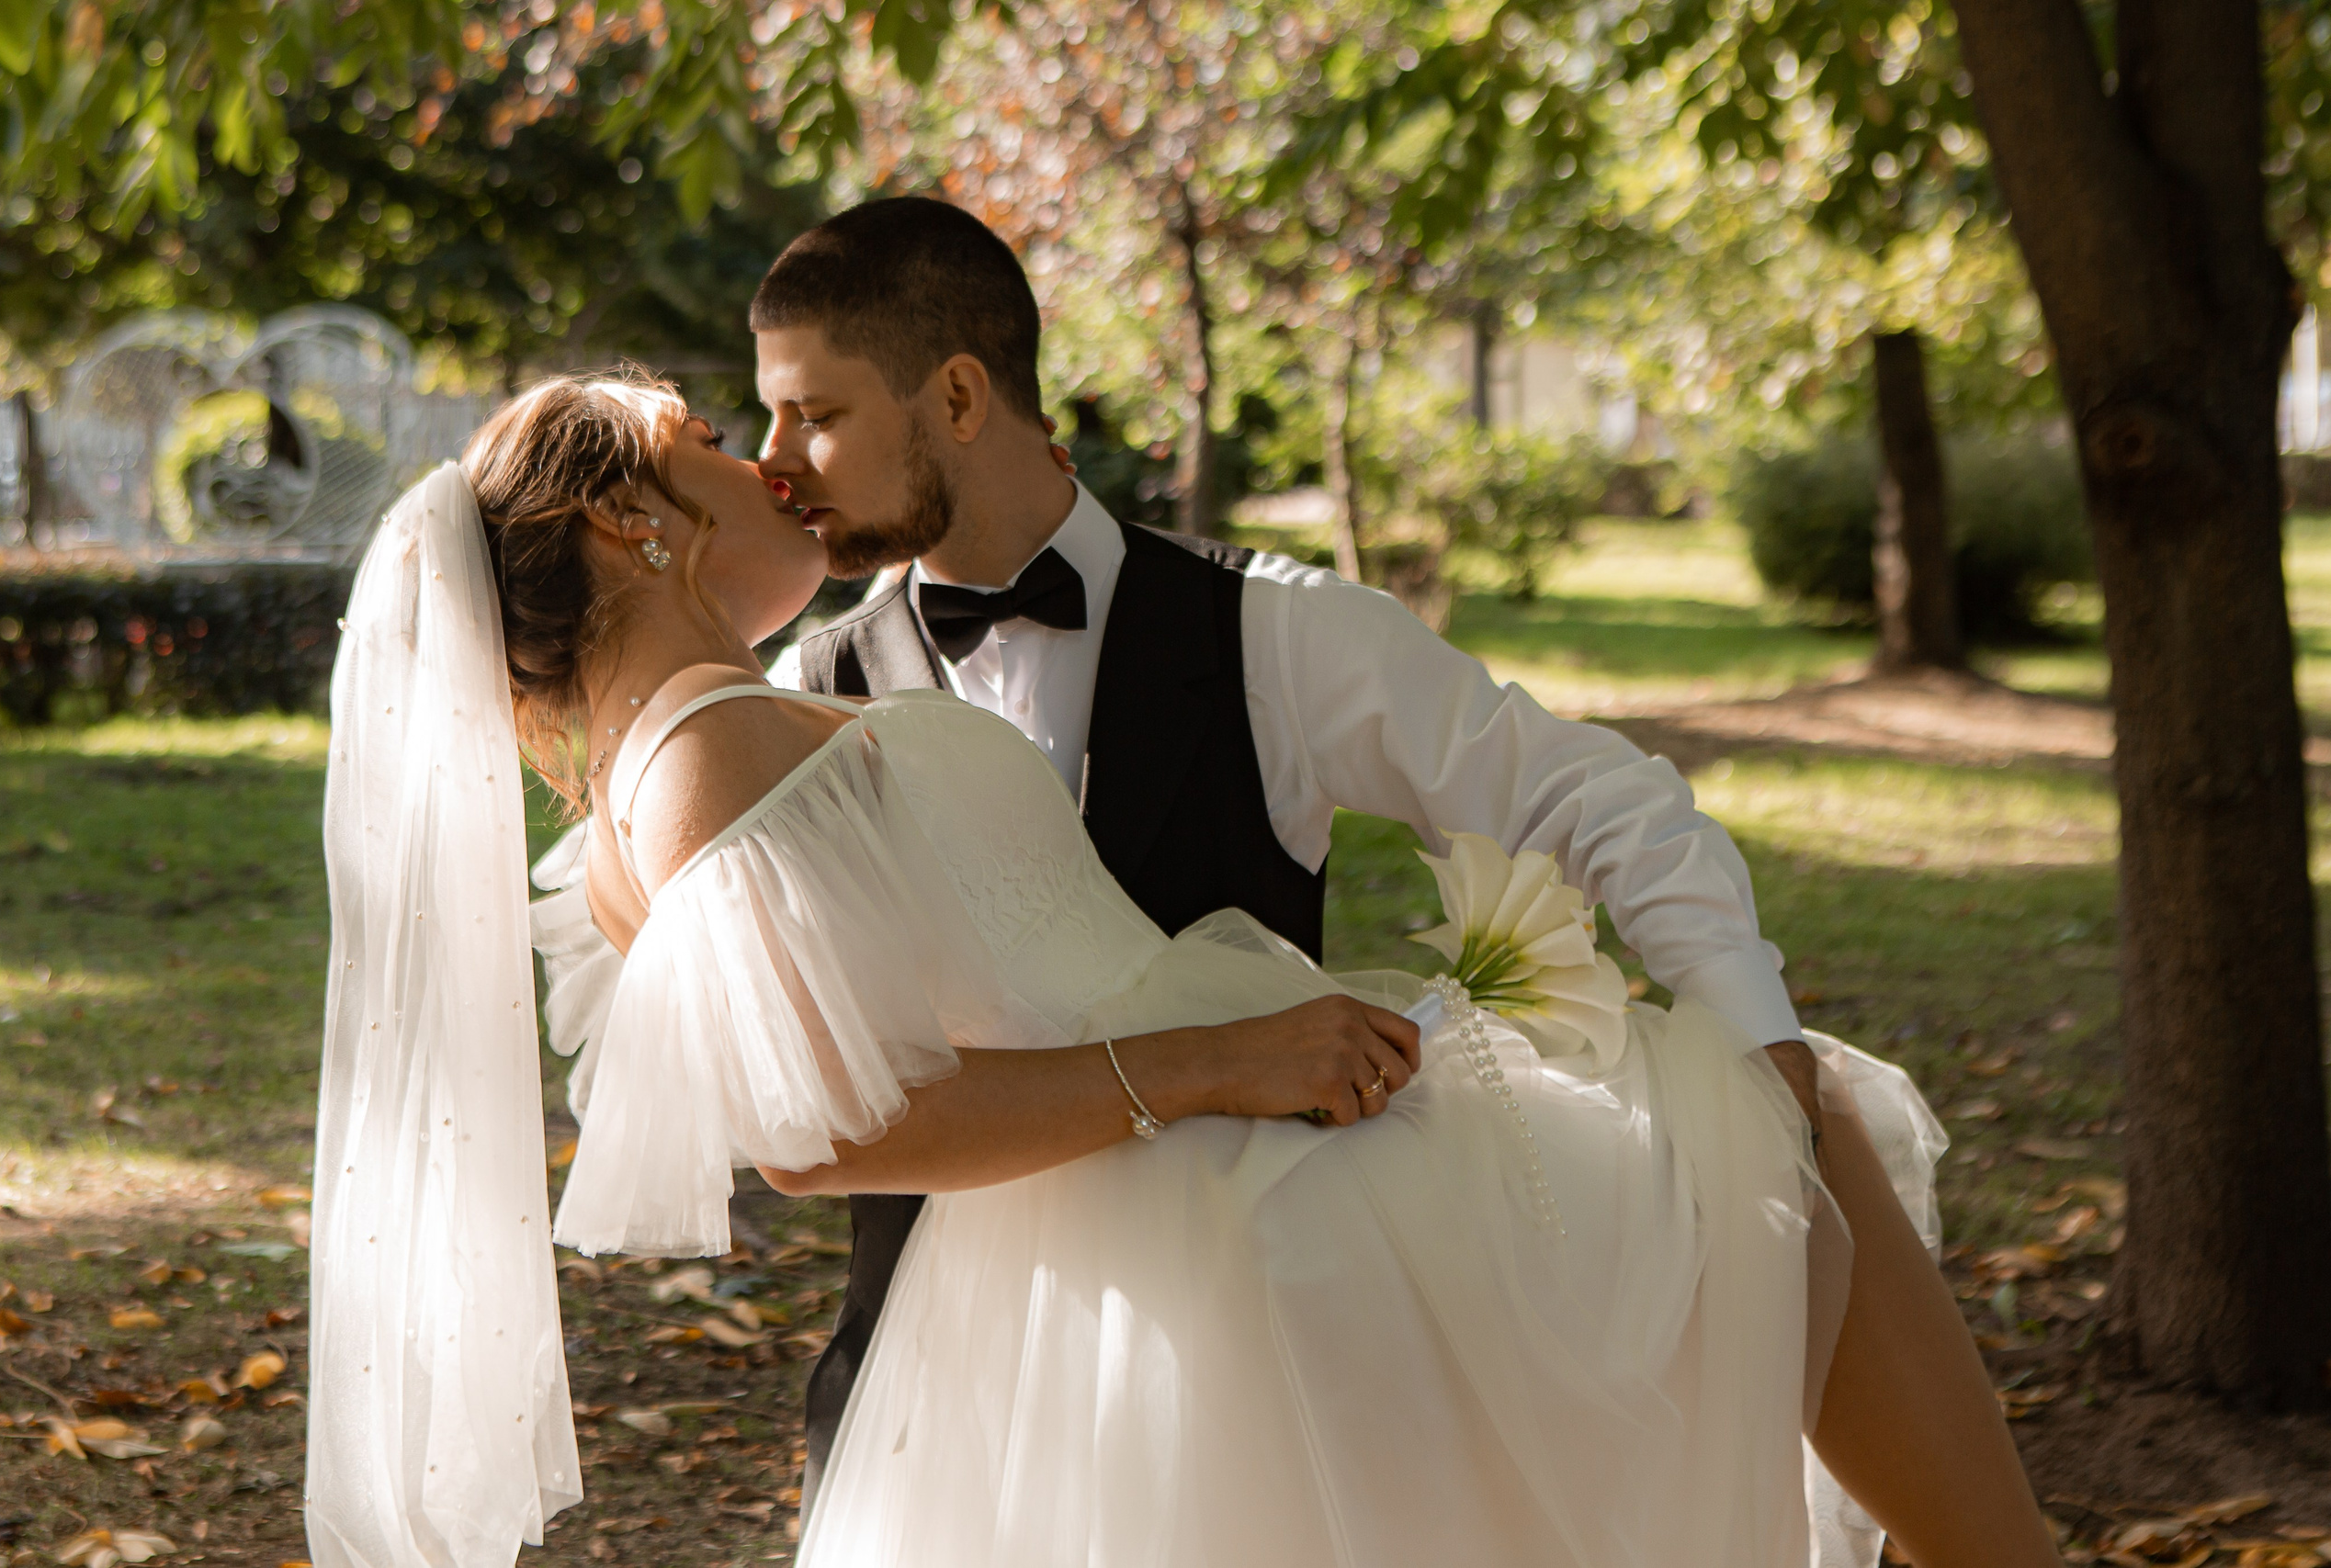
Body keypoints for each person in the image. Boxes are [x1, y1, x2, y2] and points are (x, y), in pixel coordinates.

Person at [305, 361, 2059, 1567]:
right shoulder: (696, 754)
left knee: (1774, 1158)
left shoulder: (683, 752)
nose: (760, 459)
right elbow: (821, 1139)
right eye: (701, 435)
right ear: (630, 524)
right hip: (1211, 1194)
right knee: (1772, 1147)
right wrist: (1222, 1066)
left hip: (1175, 1196)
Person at [752, 197, 2061, 1565]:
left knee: (1792, 1129)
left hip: (1271, 1359)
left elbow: (1594, 793)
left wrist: (1755, 1036)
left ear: (958, 393)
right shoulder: (804, 700)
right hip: (937, 1385)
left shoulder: (1271, 632)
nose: (779, 461)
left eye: (814, 415)